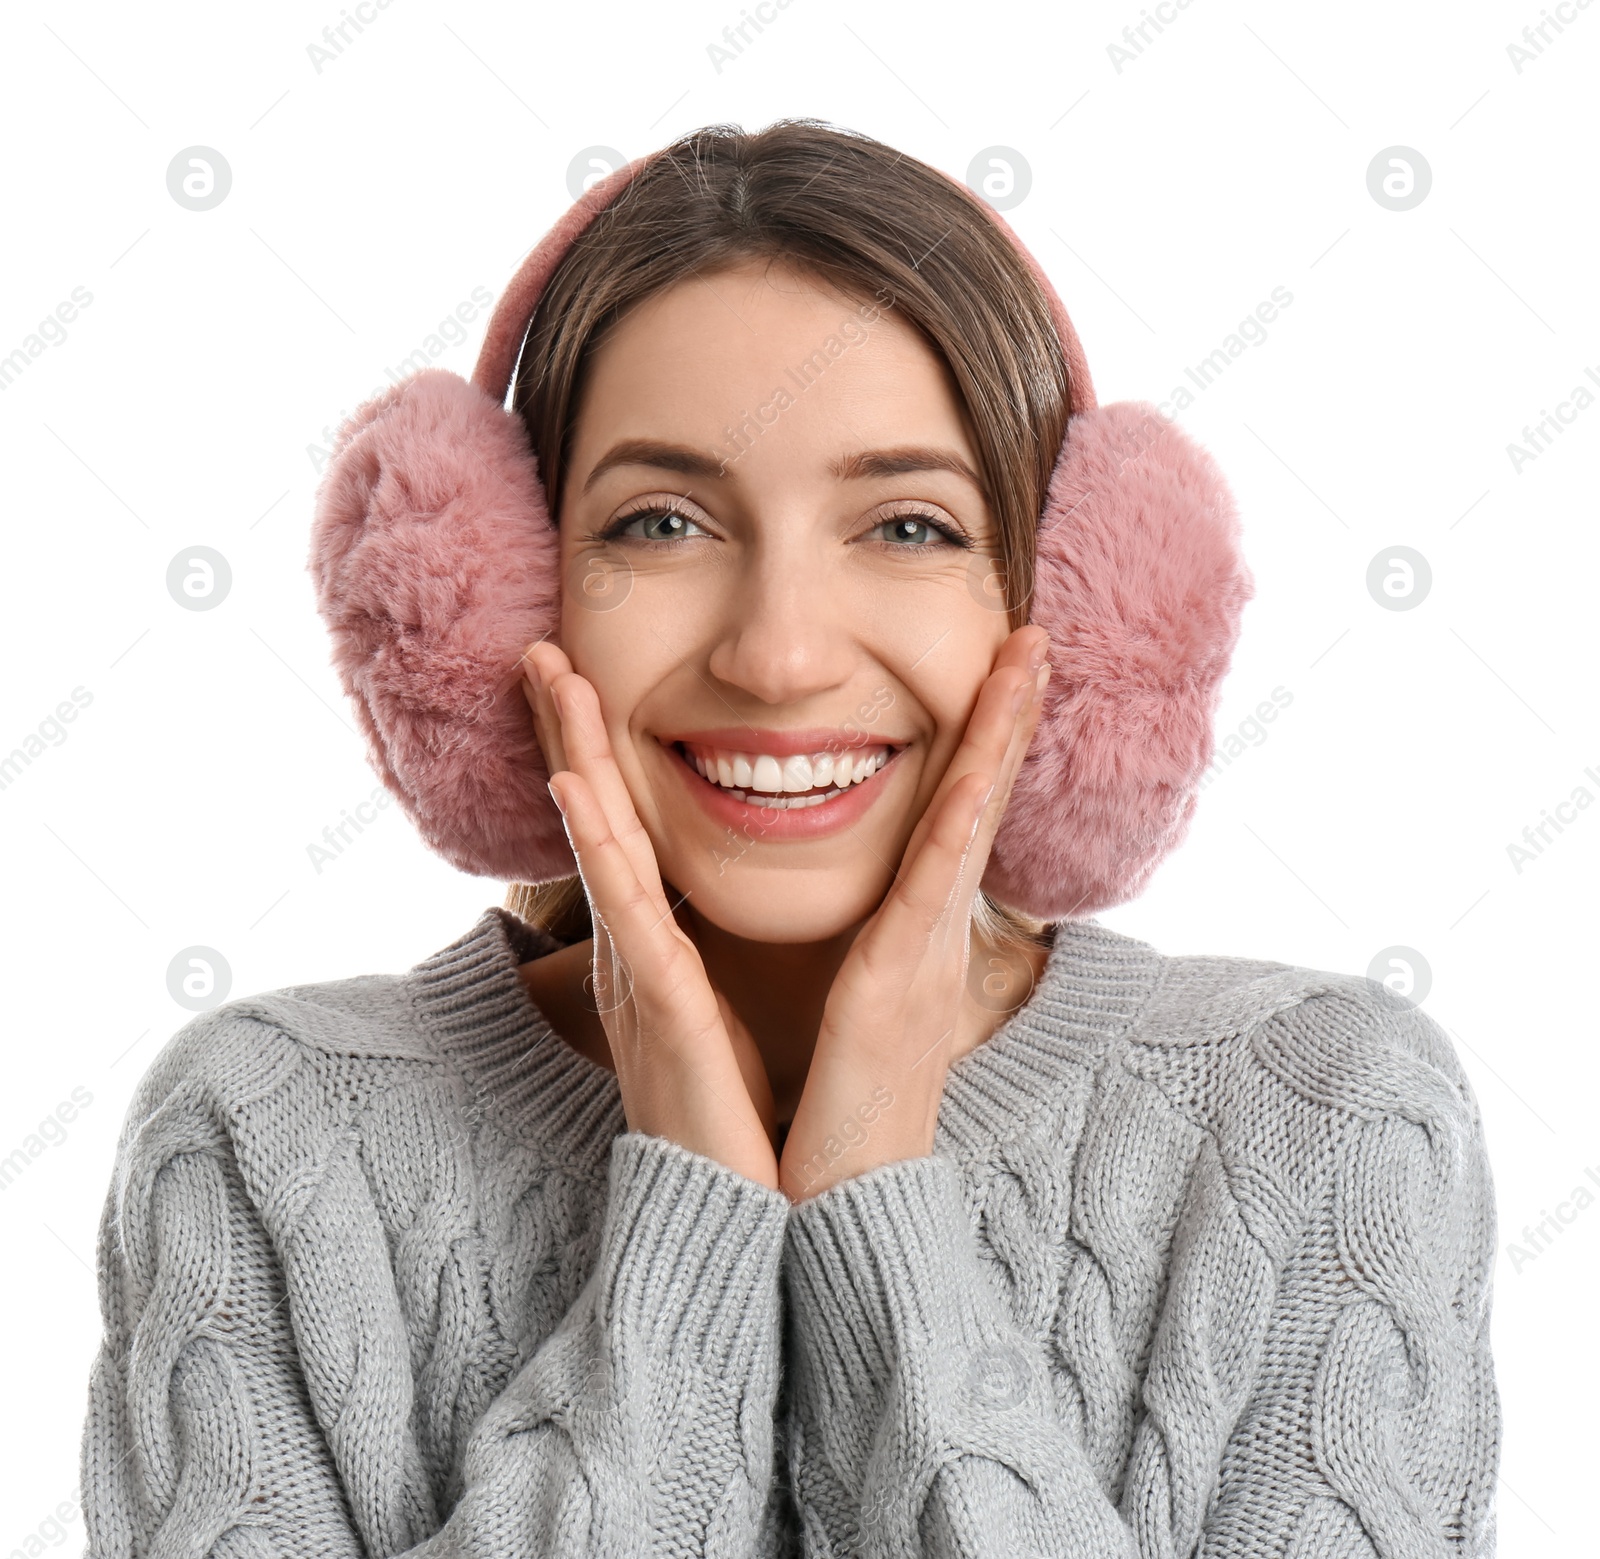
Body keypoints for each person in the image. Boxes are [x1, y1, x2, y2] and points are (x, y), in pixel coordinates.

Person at [78, 121, 1501, 1557]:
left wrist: (881, 1195)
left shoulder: (1327, 1122)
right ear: (499, 610)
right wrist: (683, 1237)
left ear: (1070, 617)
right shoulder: (263, 1136)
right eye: (662, 522)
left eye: (907, 529)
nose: (778, 656)